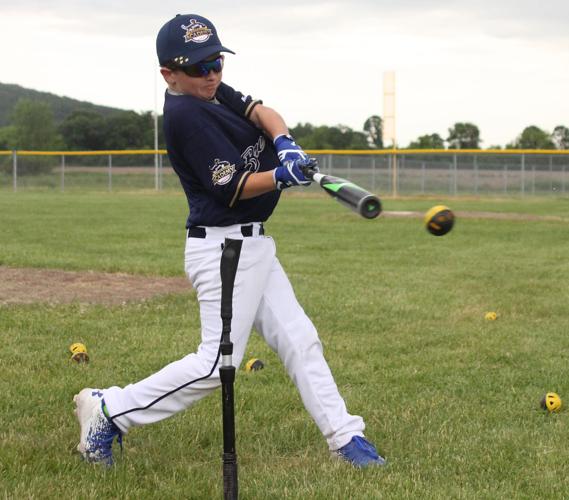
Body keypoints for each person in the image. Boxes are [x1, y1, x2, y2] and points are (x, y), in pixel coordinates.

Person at [73, 13, 385, 469]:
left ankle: (345, 438)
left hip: (252, 246)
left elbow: (260, 110)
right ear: (169, 74)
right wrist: (280, 175)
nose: (213, 73)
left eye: (216, 61)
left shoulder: (213, 89)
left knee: (300, 340)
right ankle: (109, 411)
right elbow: (233, 187)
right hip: (225, 250)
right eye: (199, 67)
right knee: (214, 365)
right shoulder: (184, 114)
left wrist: (286, 142)